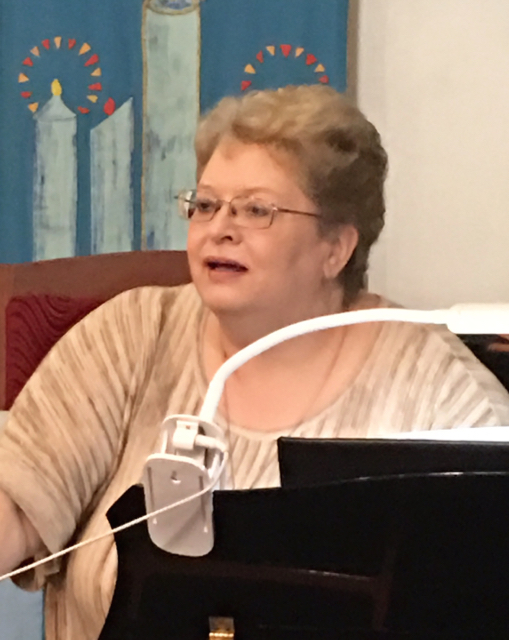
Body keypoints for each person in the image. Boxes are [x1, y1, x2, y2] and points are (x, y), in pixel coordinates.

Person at [1, 84, 509, 640]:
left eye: (256, 210)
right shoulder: (131, 336)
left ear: (335, 247)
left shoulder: (439, 394)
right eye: (207, 204)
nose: (219, 227)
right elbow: (18, 516)